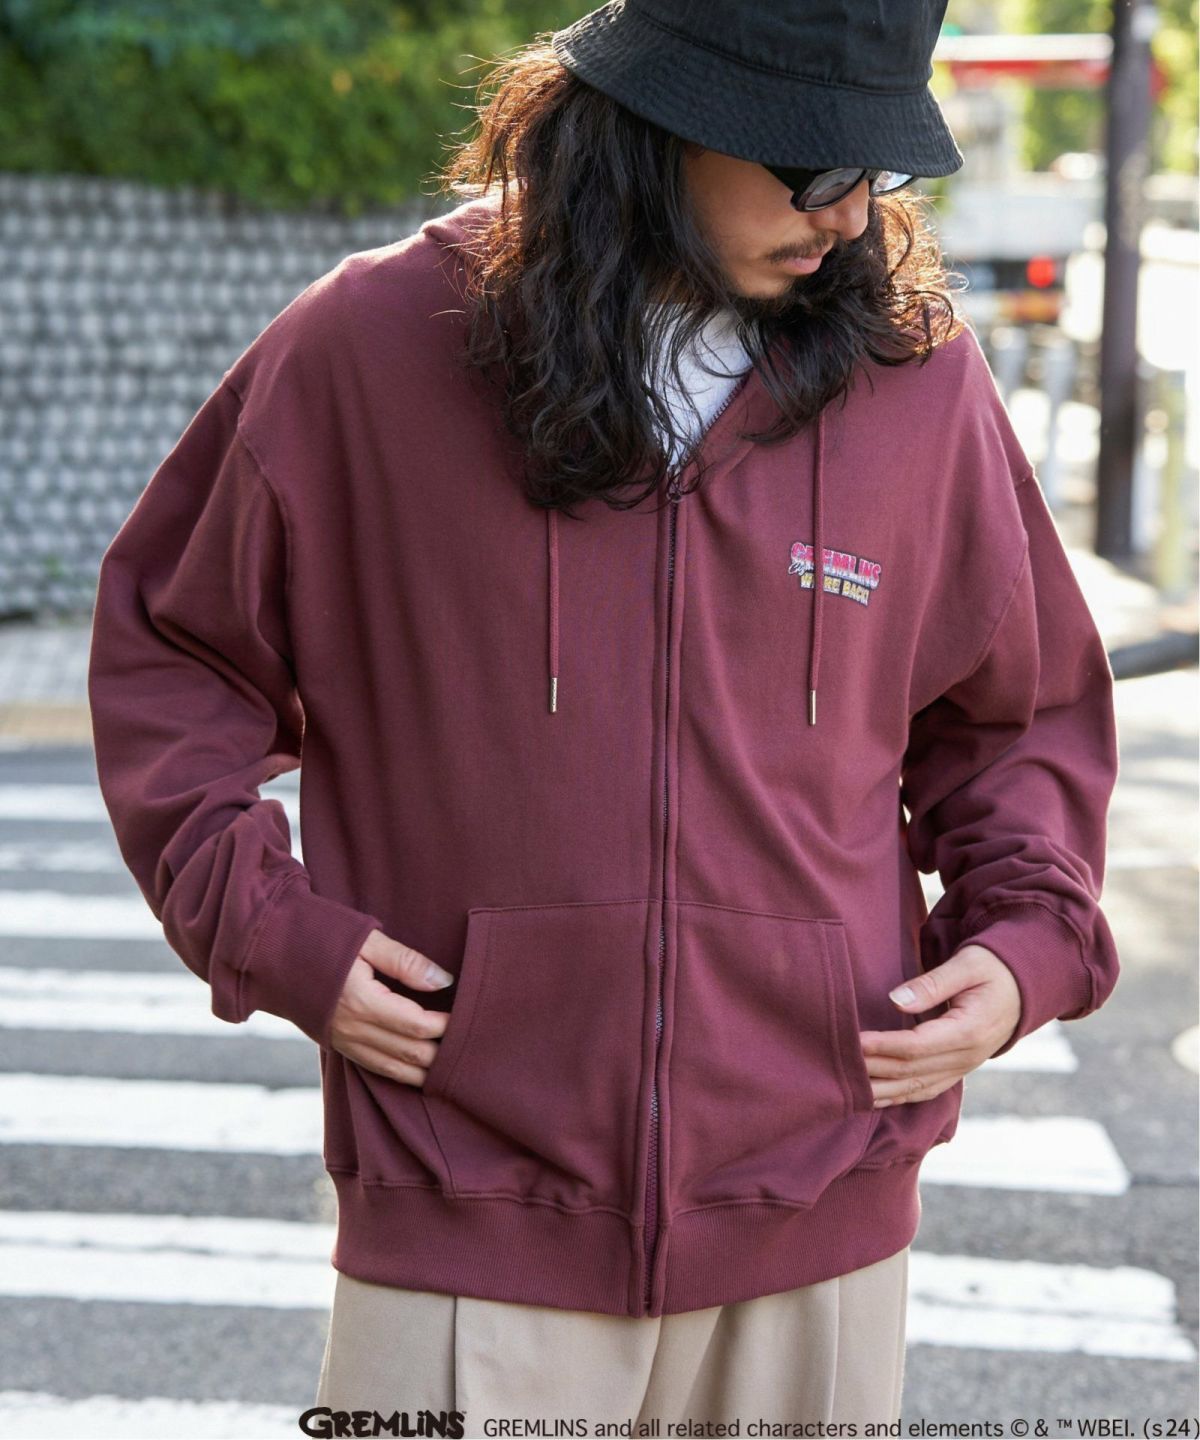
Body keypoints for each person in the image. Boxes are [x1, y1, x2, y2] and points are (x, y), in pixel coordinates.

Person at [86, 0, 1122, 1430]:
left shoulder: (916, 381)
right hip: (465, 1197)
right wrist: (266, 927)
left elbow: (1018, 713)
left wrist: (1024, 946)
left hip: (821, 1204)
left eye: (880, 169)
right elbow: (173, 649)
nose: (850, 215)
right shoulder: (373, 347)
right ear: (666, 123)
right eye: (817, 167)